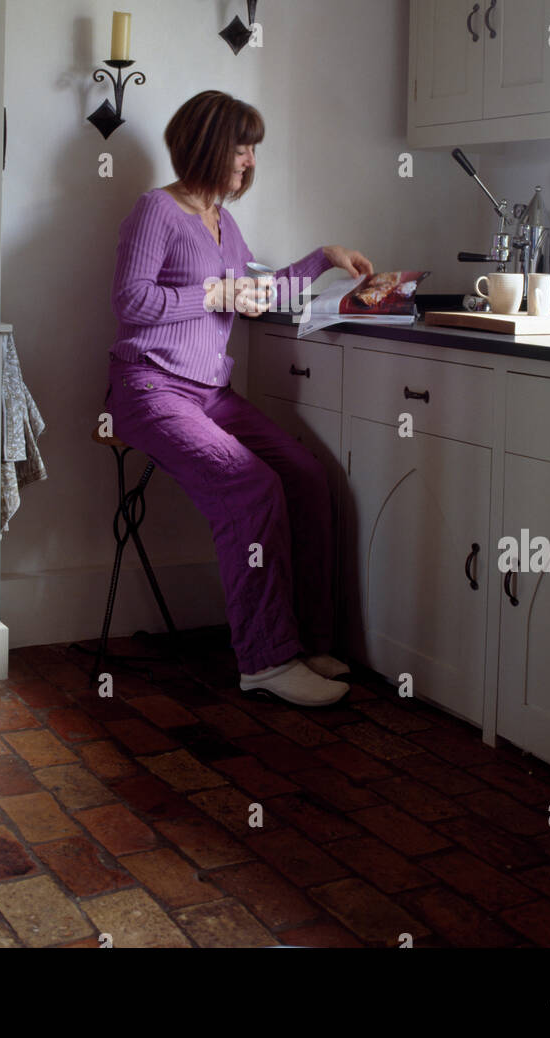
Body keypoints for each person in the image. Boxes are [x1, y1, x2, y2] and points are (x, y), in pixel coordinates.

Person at [105, 90, 373, 706]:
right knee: (249, 484)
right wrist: (215, 296)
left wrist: (322, 262)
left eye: (253, 150)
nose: (250, 160)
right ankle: (265, 659)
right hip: (149, 388)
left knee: (303, 475)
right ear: (206, 145)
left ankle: (305, 641)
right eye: (241, 147)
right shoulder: (156, 211)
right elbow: (131, 302)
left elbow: (254, 292)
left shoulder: (225, 222)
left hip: (211, 393)